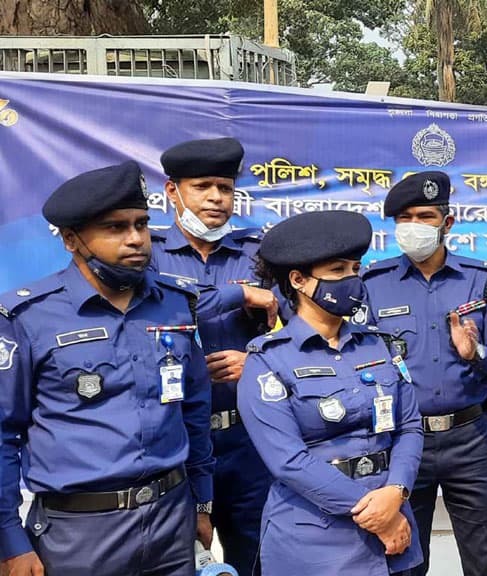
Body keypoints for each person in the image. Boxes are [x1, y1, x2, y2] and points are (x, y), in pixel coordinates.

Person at [0, 161, 214, 576]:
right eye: (115, 228)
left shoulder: (174, 303)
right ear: (70, 240)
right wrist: (9, 541)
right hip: (78, 534)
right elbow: (3, 435)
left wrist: (202, 503)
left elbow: (194, 413)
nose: (136, 239)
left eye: (141, 224)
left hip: (172, 520)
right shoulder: (27, 317)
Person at [237, 210, 424, 575]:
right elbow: (288, 460)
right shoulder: (268, 359)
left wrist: (397, 491)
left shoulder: (379, 345)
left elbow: (409, 428)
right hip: (317, 541)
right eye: (338, 271)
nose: (351, 281)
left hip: (395, 527)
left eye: (355, 269)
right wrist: (377, 516)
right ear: (299, 280)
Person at [362, 172, 487, 576]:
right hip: (402, 443)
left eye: (424, 216)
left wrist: (475, 352)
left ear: (447, 223)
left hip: (470, 440)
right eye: (405, 218)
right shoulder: (372, 283)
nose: (414, 226)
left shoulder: (479, 280)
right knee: (405, 561)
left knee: (485, 563)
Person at [150, 137, 277, 575]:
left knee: (259, 558)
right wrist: (235, 293)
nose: (216, 198)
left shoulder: (259, 254)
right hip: (176, 443)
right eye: (203, 186)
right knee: (183, 560)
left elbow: (304, 330)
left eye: (225, 187)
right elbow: (153, 312)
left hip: (251, 440)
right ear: (172, 192)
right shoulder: (146, 255)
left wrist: (258, 362)